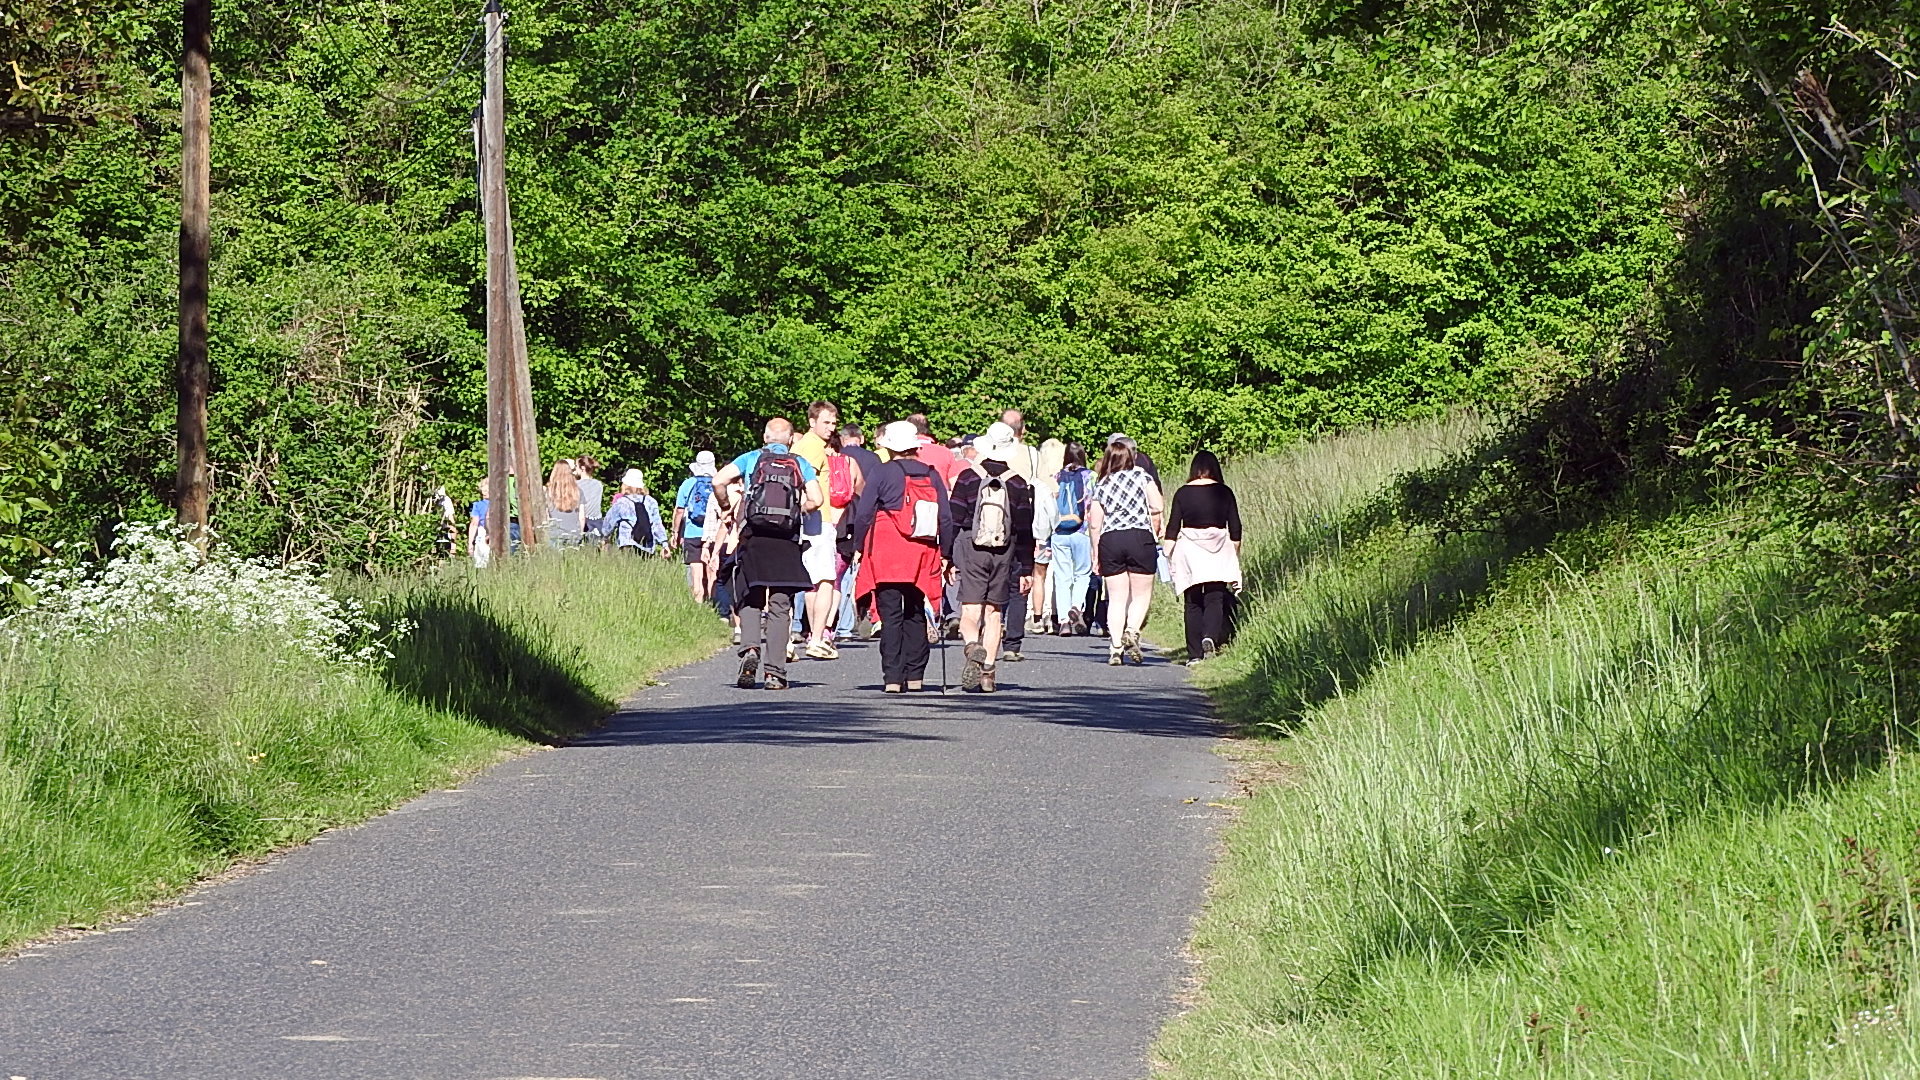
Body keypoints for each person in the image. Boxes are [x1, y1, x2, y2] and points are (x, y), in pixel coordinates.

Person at [713, 418, 825, 691]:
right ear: (789, 440)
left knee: (749, 594)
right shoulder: (800, 464)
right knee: (780, 605)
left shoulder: (751, 459)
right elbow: (818, 499)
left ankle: (750, 648)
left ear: (765, 437)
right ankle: (775, 673)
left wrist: (726, 505)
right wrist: (798, 509)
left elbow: (719, 480)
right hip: (786, 540)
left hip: (753, 536)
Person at [853, 421, 952, 693]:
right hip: (921, 548)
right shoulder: (931, 475)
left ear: (891, 447)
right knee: (916, 609)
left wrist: (859, 545)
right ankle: (916, 675)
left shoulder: (882, 472)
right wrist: (947, 553)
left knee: (890, 613)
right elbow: (945, 516)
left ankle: (893, 678)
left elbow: (864, 513)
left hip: (886, 547)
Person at [941, 422, 1036, 692]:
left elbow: (953, 519)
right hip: (1004, 552)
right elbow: (1024, 528)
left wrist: (945, 555)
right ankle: (988, 674)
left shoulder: (968, 478)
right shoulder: (1018, 483)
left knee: (970, 610)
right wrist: (1027, 568)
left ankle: (972, 646)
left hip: (972, 549)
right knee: (994, 613)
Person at [793, 401, 862, 661]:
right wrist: (811, 506)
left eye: (834, 423)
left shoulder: (805, 445)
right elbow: (803, 482)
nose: (831, 428)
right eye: (826, 422)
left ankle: (802, 636)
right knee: (825, 580)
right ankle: (818, 638)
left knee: (809, 580)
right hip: (816, 519)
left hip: (810, 519)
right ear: (811, 421)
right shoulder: (812, 447)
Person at [1088, 439, 1164, 665]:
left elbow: (1094, 523)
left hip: (1111, 539)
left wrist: (1095, 553)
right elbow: (1158, 505)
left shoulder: (1102, 484)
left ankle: (1115, 647)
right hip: (1139, 537)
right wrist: (1141, 507)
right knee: (1141, 594)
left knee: (1116, 598)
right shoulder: (1142, 477)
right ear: (1131, 457)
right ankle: (1131, 630)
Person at [1165, 450, 1243, 664]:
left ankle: (1194, 654)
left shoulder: (1182, 493)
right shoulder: (1224, 492)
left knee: (1192, 601)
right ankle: (1209, 636)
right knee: (1215, 597)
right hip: (1218, 546)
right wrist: (1233, 552)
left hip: (1189, 549)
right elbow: (1235, 526)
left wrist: (1167, 552)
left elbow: (1173, 526)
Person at [837, 423, 884, 637]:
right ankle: (870, 613)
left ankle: (841, 619)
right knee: (868, 567)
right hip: (870, 517)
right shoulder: (874, 459)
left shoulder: (837, 456)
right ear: (862, 438)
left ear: (842, 438)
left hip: (842, 517)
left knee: (839, 568)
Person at [673, 450, 719, 603]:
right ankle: (714, 605)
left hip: (692, 532)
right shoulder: (718, 483)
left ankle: (698, 602)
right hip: (713, 533)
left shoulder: (688, 484)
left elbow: (679, 511)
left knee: (696, 570)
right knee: (711, 569)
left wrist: (675, 533)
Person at [603, 469, 667, 555]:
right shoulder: (651, 501)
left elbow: (608, 523)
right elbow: (657, 524)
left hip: (627, 544)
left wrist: (605, 537)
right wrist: (664, 544)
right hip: (647, 546)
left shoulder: (622, 502)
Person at [547, 459, 585, 546]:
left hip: (555, 534)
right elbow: (582, 516)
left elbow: (546, 515)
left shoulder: (548, 492)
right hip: (574, 534)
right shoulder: (578, 491)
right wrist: (580, 533)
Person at [576, 456, 606, 540]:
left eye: (576, 466)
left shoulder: (577, 485)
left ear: (582, 468)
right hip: (597, 521)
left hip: (584, 520)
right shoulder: (599, 484)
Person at [467, 480, 492, 569]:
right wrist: (470, 543)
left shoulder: (478, 505)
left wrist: (470, 544)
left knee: (482, 561)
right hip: (486, 531)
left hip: (485, 531)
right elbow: (474, 523)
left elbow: (474, 524)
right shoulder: (478, 505)